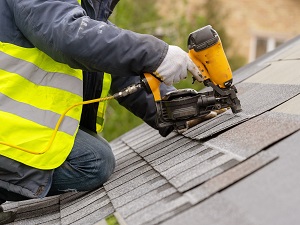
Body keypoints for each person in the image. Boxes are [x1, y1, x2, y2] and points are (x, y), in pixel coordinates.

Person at [0, 0, 202, 223]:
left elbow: (118, 69)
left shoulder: (86, 6)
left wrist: (175, 107)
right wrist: (155, 54)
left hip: (14, 130)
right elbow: (69, 36)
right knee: (93, 161)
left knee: (96, 156)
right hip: (6, 134)